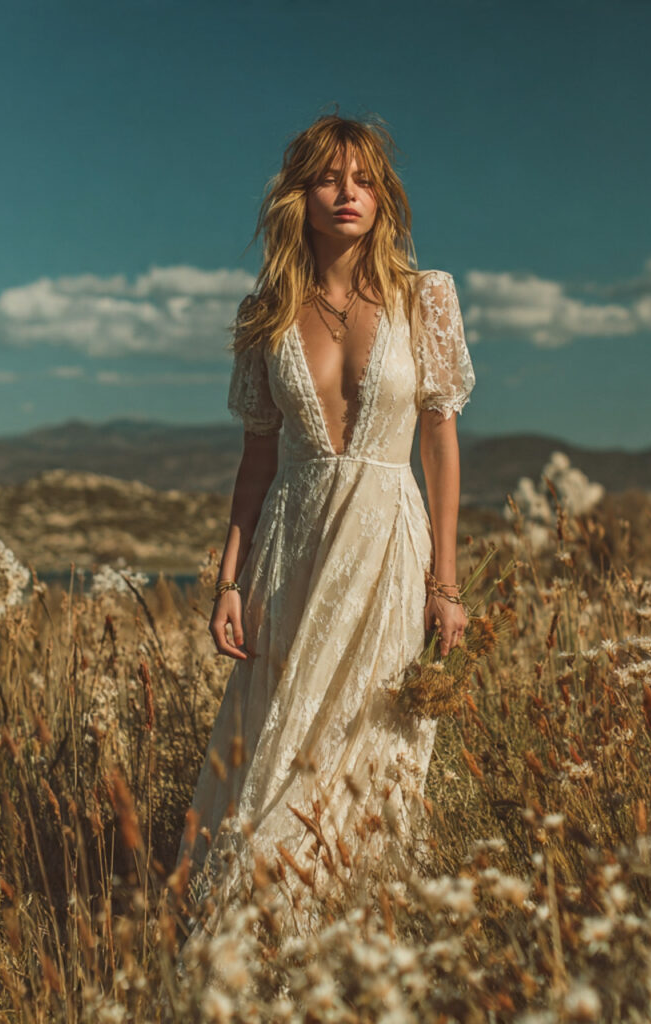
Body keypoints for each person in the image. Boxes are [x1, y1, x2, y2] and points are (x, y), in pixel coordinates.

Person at [175, 113, 475, 937]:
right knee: (282, 742)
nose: (349, 193)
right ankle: (255, 933)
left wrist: (446, 585)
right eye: (330, 178)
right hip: (292, 549)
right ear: (299, 195)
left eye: (365, 179)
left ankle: (354, 934)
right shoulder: (266, 312)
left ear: (383, 197)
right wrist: (228, 581)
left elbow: (440, 443)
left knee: (369, 741)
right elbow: (256, 461)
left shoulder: (425, 297)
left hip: (387, 546)